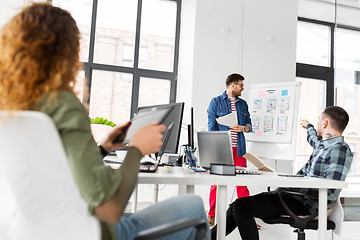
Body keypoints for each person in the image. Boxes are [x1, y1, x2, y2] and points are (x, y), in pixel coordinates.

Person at [0, 3, 210, 240]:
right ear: (65, 53)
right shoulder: (62, 103)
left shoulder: (11, 109)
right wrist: (137, 150)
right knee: (193, 205)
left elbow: (55, 170)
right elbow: (109, 209)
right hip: (88, 230)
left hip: (32, 230)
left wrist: (103, 149)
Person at [211, 106, 353, 240]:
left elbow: (331, 190)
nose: (316, 124)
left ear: (325, 123)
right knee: (237, 204)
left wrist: (294, 183)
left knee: (241, 208)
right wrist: (308, 126)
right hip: (289, 194)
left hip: (302, 201)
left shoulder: (339, 149)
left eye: (317, 120)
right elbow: (314, 139)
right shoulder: (323, 145)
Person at [207, 73, 252, 225]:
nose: (243, 88)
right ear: (232, 85)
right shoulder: (216, 102)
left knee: (242, 184)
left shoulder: (243, 104)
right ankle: (212, 214)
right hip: (222, 149)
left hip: (239, 149)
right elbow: (211, 127)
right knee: (216, 183)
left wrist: (243, 128)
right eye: (241, 85)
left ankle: (247, 216)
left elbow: (249, 125)